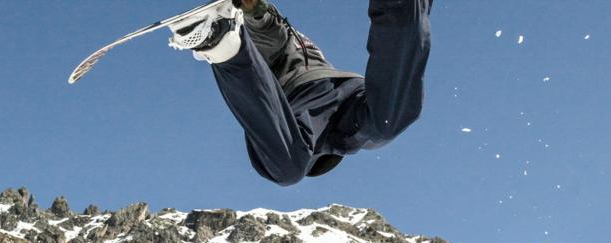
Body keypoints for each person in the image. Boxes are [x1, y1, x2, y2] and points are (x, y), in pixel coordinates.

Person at [167, 0, 433, 187]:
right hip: (344, 100)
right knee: (385, 125)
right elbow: (276, 34)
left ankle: (222, 44)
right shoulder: (347, 136)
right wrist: (256, 11)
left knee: (289, 170)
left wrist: (254, 11)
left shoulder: (272, 71)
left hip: (299, 105)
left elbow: (273, 36)